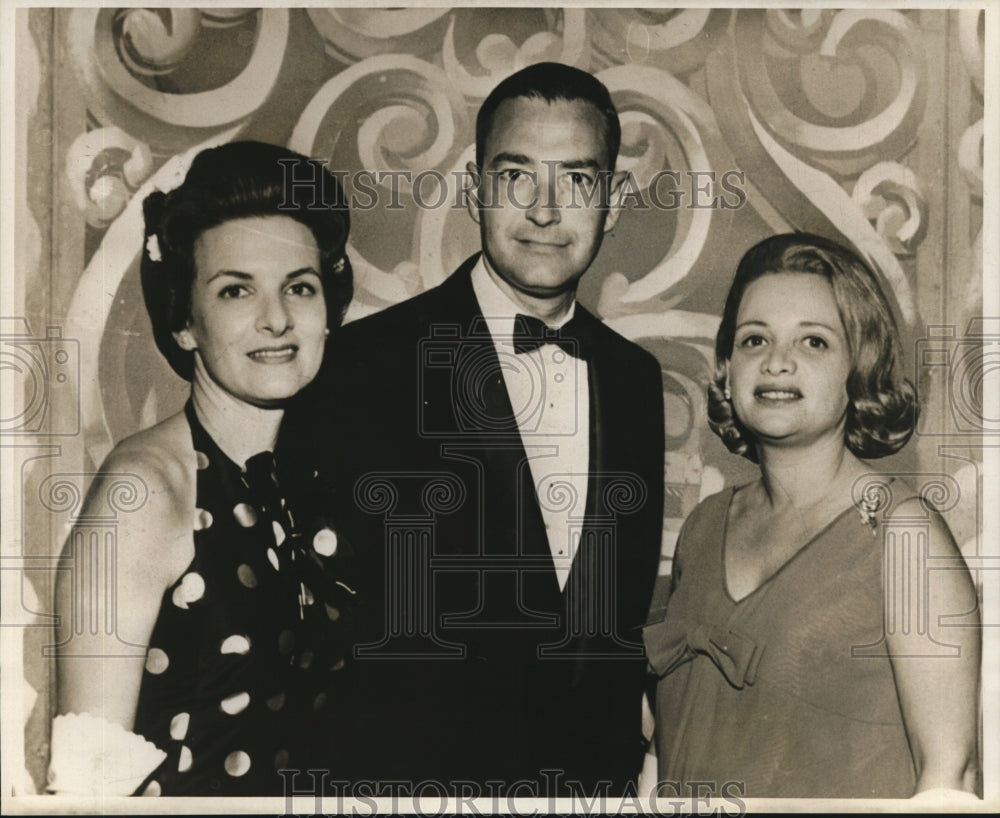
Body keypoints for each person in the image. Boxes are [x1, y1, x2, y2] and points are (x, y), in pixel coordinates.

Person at [286, 62, 665, 793]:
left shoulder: (632, 380)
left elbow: (606, 632)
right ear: (474, 187)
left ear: (613, 202)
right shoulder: (363, 365)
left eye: (578, 181)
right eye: (517, 176)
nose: (546, 211)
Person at [48, 141, 356, 796]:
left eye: (299, 287)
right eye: (235, 290)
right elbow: (82, 794)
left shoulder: (316, 484)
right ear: (185, 322)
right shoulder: (141, 492)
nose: (276, 320)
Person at [642, 233, 980, 799]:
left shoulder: (903, 536)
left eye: (814, 342)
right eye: (755, 340)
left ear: (860, 367)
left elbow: (949, 779)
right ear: (727, 369)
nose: (777, 362)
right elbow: (665, 750)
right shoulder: (704, 526)